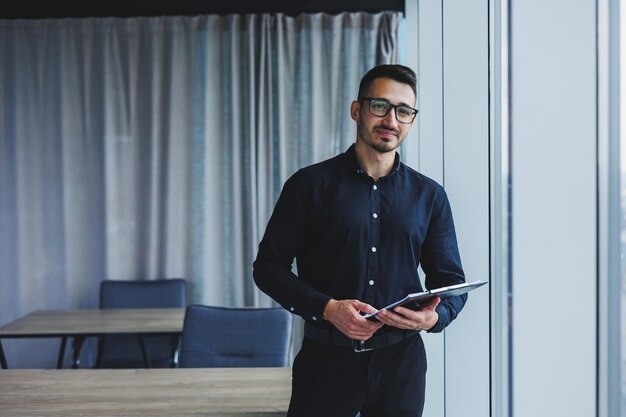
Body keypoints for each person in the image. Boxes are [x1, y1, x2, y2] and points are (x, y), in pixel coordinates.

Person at [253, 64, 467, 417]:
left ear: (411, 120)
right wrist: (327, 308)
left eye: (404, 111)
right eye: (380, 106)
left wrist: (435, 318)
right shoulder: (308, 186)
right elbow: (268, 269)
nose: (391, 120)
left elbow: (451, 283)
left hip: (402, 366)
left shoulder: (430, 196)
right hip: (326, 362)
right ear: (357, 110)